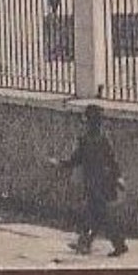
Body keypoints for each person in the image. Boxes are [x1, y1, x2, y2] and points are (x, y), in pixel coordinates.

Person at [51, 104, 128, 257]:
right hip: (101, 183)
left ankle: (116, 245)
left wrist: (60, 163)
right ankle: (85, 243)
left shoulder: (86, 140)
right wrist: (118, 177)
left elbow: (75, 160)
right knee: (94, 215)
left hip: (94, 184)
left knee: (99, 216)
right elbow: (112, 161)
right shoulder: (103, 139)